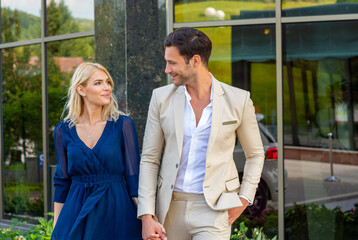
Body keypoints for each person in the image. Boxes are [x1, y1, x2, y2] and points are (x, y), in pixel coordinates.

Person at [138, 27, 265, 240]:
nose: (166, 69)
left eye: (172, 62)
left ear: (195, 61)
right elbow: (150, 159)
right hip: (169, 208)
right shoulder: (161, 98)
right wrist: (147, 215)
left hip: (213, 209)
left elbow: (255, 154)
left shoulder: (238, 100)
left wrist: (244, 198)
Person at [51, 62, 142, 240]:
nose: (107, 87)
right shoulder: (63, 130)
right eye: (98, 83)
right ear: (81, 89)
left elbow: (134, 178)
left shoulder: (122, 125)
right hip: (76, 210)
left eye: (108, 82)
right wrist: (57, 225)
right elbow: (61, 180)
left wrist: (148, 218)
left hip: (116, 210)